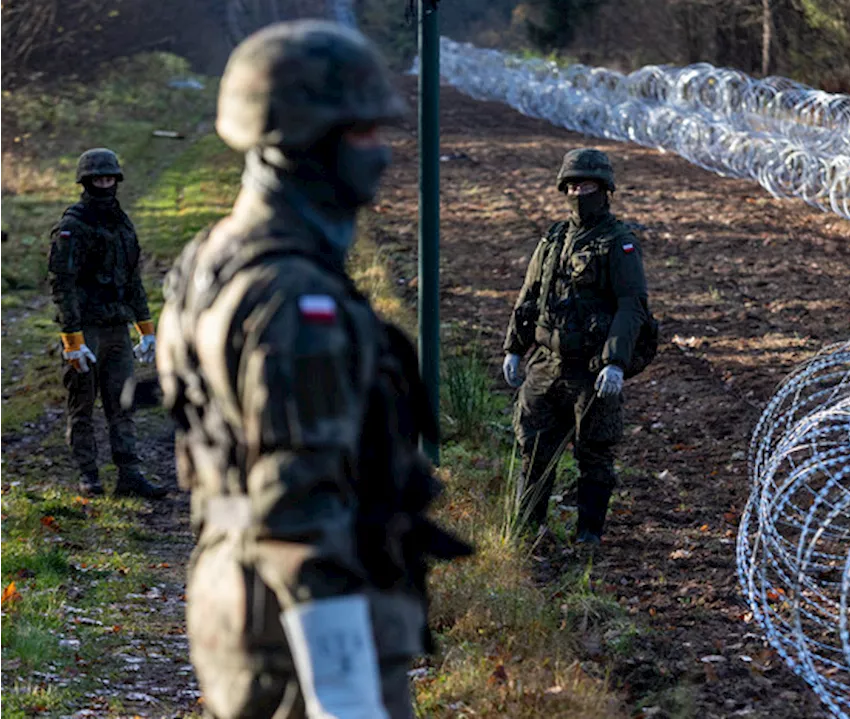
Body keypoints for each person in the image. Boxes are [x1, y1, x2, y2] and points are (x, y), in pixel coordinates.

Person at [155, 20, 468, 718]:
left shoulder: (211, 258)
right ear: (305, 142)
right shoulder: (298, 300)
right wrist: (346, 693)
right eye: (361, 134)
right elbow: (300, 510)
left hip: (238, 598)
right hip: (303, 629)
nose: (383, 155)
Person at [502, 148, 652, 545]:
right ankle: (528, 531)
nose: (577, 192)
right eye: (570, 185)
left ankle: (588, 536)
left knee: (595, 454)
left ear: (604, 189)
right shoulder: (553, 240)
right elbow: (530, 294)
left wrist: (615, 361)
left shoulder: (619, 244)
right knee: (533, 450)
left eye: (585, 185)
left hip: (591, 370)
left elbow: (630, 306)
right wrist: (514, 347)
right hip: (546, 365)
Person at [48, 148, 164, 498]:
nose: (104, 183)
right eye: (98, 178)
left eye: (109, 177)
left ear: (116, 179)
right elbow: (62, 285)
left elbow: (132, 281)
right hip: (86, 331)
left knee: (122, 404)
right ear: (86, 181)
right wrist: (73, 340)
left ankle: (129, 475)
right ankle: (89, 476)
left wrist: (146, 331)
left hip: (116, 328)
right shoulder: (72, 227)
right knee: (82, 405)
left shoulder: (122, 223)